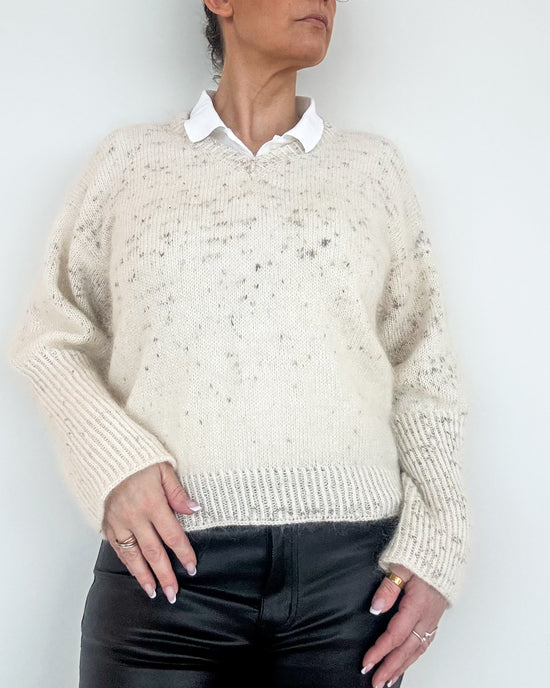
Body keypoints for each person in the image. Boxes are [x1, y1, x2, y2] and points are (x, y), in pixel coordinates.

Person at [7, 1, 473, 687]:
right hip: (164, 571)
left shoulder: (373, 170)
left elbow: (423, 368)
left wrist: (437, 547)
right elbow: (50, 335)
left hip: (349, 585)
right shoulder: (130, 163)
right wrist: (116, 463)